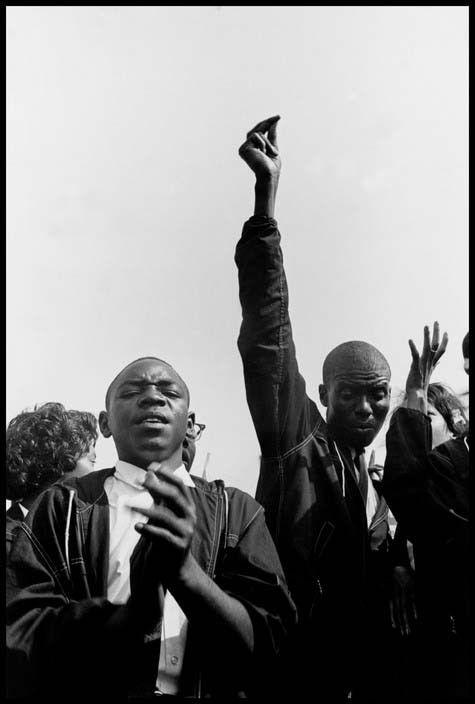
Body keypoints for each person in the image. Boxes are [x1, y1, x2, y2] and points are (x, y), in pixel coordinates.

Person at [6, 357, 296, 700]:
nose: (153, 398)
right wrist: (132, 617)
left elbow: (274, 643)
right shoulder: (61, 507)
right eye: (133, 391)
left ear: (189, 424)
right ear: (105, 424)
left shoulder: (238, 511)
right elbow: (20, 634)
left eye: (168, 392)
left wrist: (188, 576)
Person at [235, 116, 395, 699]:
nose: (365, 406)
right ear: (322, 396)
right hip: (291, 676)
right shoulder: (297, 440)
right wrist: (265, 205)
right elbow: (268, 334)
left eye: (377, 393)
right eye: (349, 392)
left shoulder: (378, 486)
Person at [383, 324, 469, 701]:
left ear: (452, 425)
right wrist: (397, 564)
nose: (414, 420)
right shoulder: (402, 529)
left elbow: (416, 497)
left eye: (424, 414)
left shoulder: (448, 478)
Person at [6, 402, 98, 555]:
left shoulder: (77, 536)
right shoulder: (11, 541)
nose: (95, 474)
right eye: (91, 461)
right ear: (59, 464)